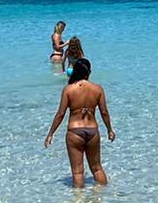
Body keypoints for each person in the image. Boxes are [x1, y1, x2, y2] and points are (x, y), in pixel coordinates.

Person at [45, 58, 114, 187]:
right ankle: (104, 198)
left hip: (75, 132)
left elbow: (60, 114)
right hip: (93, 131)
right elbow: (104, 112)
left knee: (77, 173)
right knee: (97, 168)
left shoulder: (68, 90)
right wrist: (109, 129)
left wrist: (51, 133)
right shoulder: (98, 89)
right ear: (89, 72)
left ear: (75, 72)